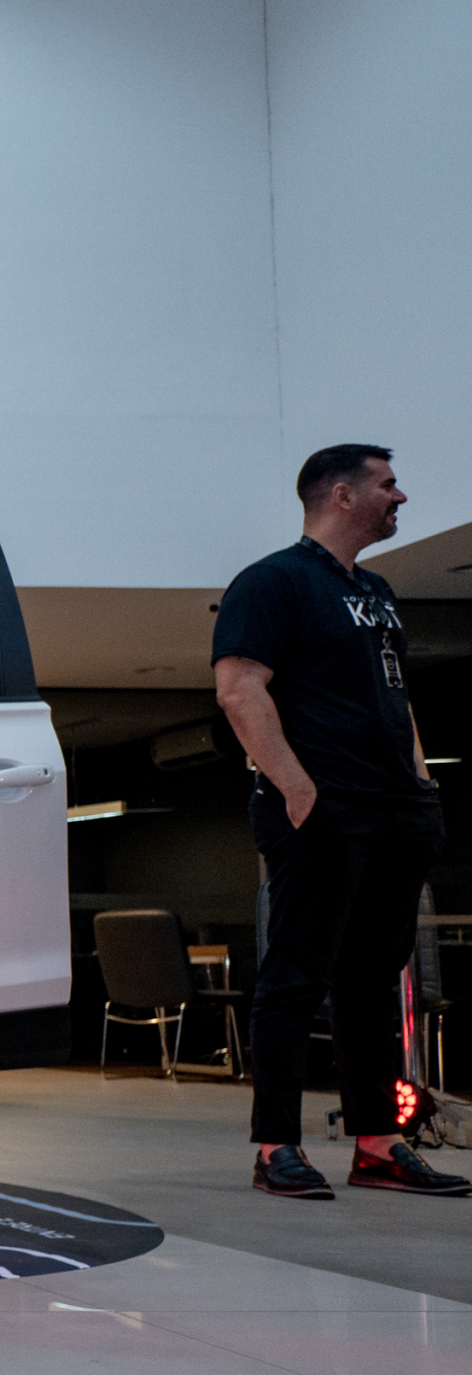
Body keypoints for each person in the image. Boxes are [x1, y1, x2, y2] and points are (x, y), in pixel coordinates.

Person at [212, 444, 468, 1199]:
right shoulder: (273, 581)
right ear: (341, 494)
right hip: (323, 810)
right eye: (388, 484)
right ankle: (276, 1147)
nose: (401, 496)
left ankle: (379, 1142)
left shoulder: (377, 591)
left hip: (396, 811)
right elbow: (239, 689)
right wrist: (299, 792)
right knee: (295, 977)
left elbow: (396, 696)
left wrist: (421, 786)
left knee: (371, 983)